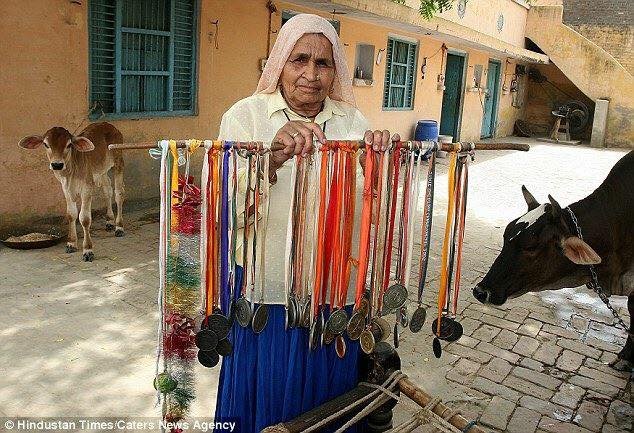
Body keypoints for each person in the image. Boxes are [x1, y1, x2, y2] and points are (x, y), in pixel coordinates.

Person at [214, 13, 398, 432]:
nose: (310, 75)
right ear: (280, 61)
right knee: (268, 389)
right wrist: (271, 160)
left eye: (323, 63)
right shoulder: (246, 117)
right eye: (300, 60)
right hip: (268, 289)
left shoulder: (353, 123)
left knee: (329, 397)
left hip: (334, 291)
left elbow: (371, 207)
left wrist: (381, 163)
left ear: (336, 72)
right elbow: (224, 208)